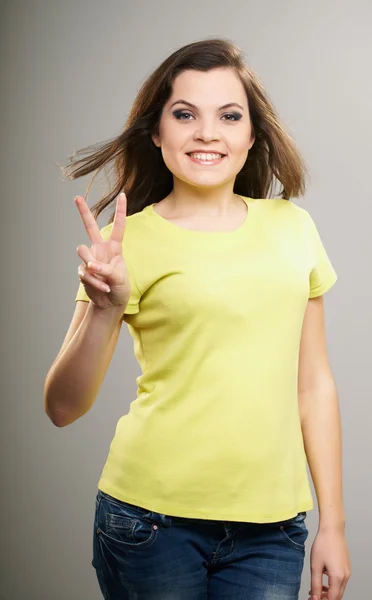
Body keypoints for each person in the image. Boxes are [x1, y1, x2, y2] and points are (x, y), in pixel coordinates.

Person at [44, 38, 351, 600]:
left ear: (252, 134)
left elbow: (315, 384)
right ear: (156, 131)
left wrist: (333, 524)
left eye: (229, 116)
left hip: (272, 529)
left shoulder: (293, 228)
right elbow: (62, 407)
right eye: (185, 114)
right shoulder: (125, 244)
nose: (207, 132)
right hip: (149, 523)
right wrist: (105, 310)